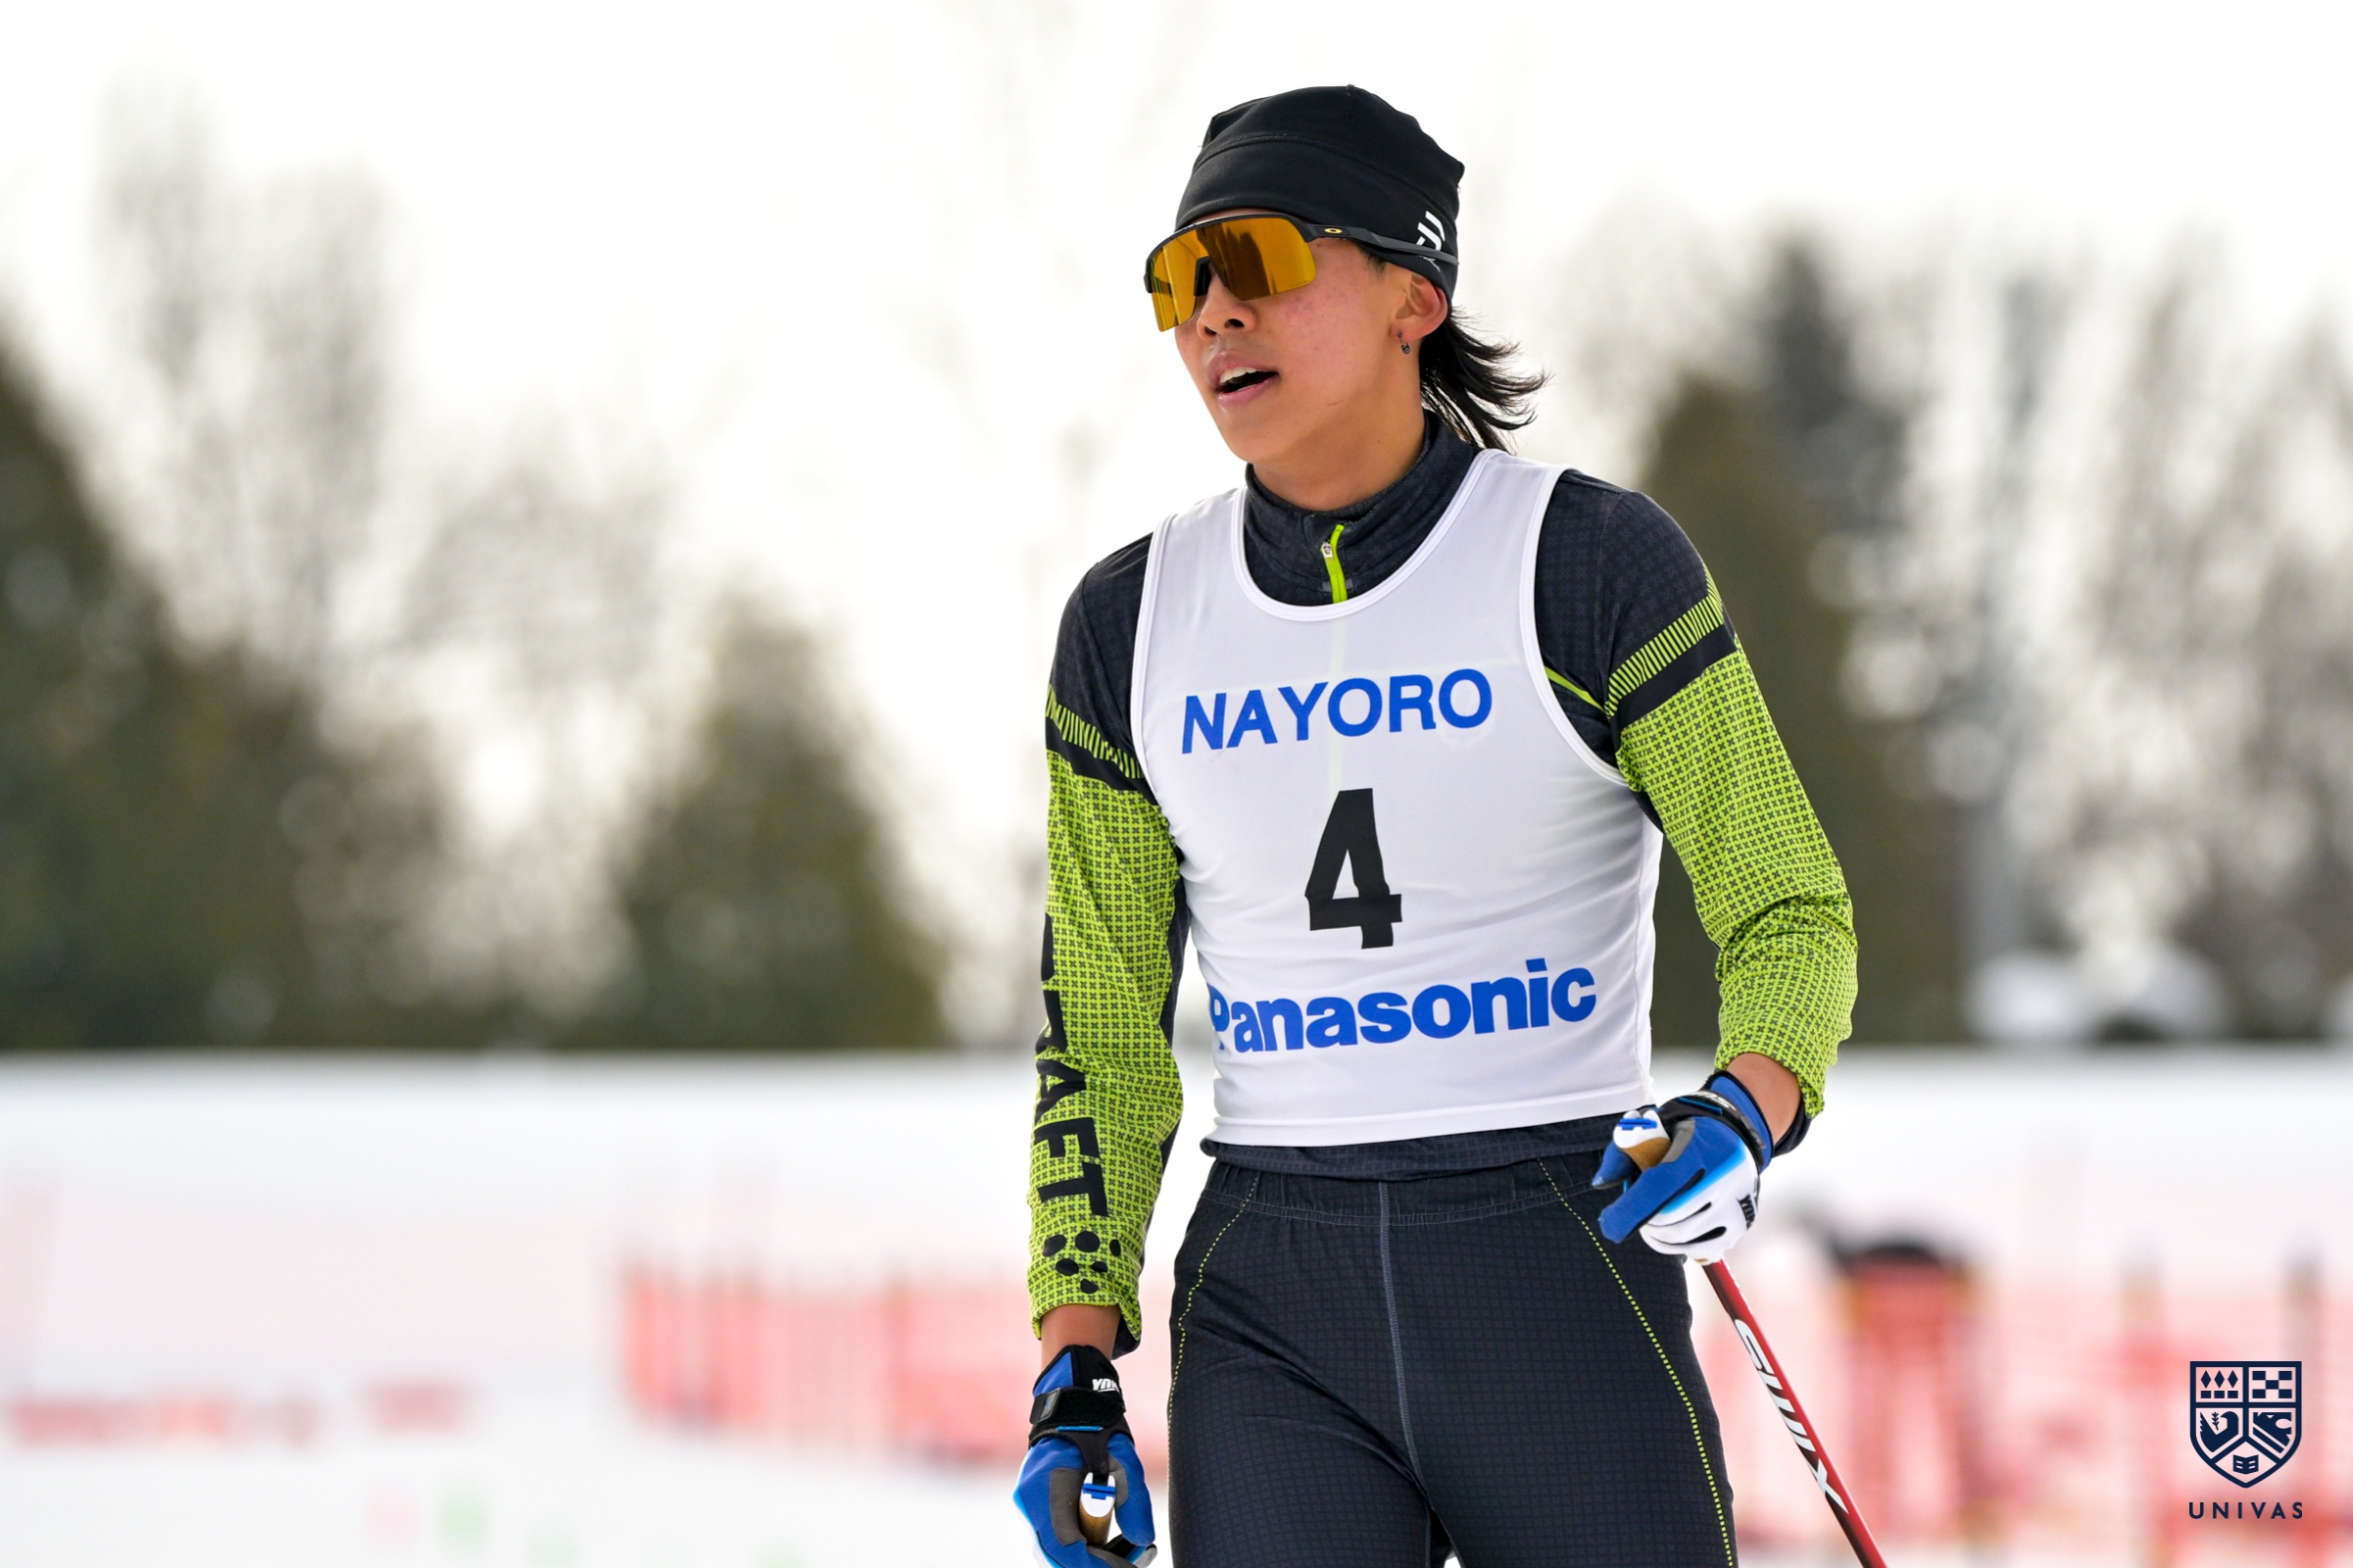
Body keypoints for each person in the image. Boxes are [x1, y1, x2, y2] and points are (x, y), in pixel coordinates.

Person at [1014, 85, 1855, 1568]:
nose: (1212, 314)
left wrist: (1744, 1111)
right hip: (1275, 1296)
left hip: (1556, 1254)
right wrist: (1074, 1365)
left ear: (1416, 294)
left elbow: (1786, 905)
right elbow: (1102, 1026)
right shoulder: (1127, 625)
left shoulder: (1588, 565)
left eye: (1258, 259)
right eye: (1180, 277)